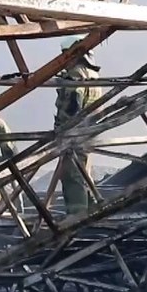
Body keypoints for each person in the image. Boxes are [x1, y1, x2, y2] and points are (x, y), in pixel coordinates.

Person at [54, 37, 102, 214]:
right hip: (89, 132)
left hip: (74, 134)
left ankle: (78, 216)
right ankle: (92, 210)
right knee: (83, 173)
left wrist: (63, 128)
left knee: (72, 175)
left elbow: (73, 102)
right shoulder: (93, 75)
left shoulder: (76, 74)